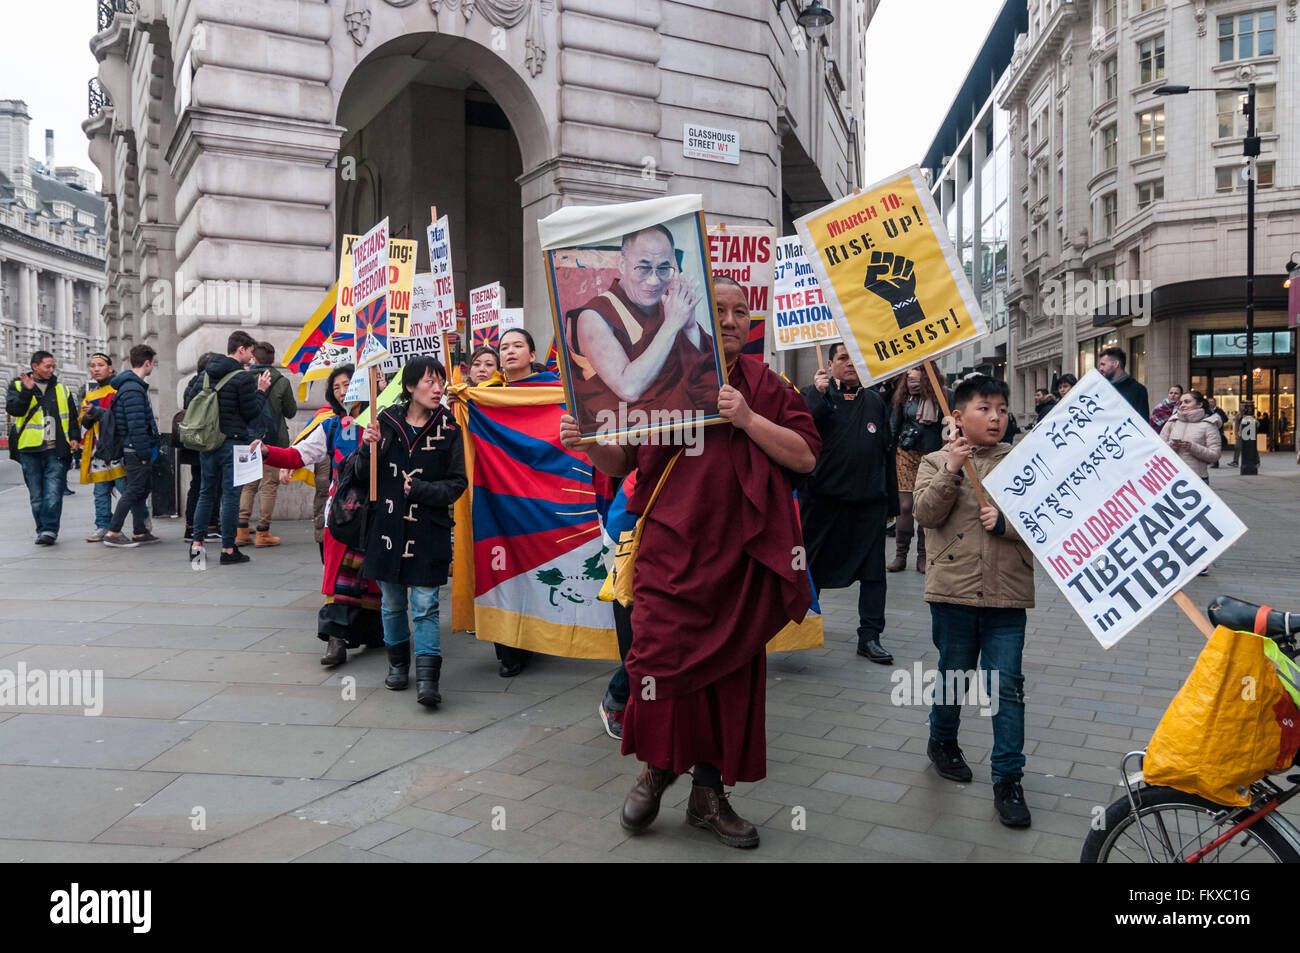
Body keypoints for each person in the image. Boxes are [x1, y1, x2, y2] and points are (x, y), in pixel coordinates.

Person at [562, 287, 820, 850]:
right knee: (655, 662)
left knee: (729, 676)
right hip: (670, 556)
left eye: (740, 313)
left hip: (740, 560)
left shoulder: (768, 387)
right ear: (699, 314)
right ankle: (656, 770)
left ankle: (708, 792)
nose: (730, 321)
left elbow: (804, 455)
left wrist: (748, 418)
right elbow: (620, 457)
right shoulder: (658, 380)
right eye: (718, 311)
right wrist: (587, 443)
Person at [913, 375, 1034, 828]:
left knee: (1007, 688)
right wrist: (950, 472)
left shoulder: (1024, 462)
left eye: (1002, 408)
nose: (996, 417)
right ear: (958, 417)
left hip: (1008, 597)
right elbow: (925, 514)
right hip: (953, 594)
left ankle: (1008, 780)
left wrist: (1005, 524)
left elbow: (1049, 524)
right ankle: (942, 741)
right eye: (985, 408)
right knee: (953, 675)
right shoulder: (934, 460)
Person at [353, 356, 467, 707]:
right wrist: (367, 449)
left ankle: (429, 679)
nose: (438, 389)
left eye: (440, 382)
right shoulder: (383, 424)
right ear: (409, 387)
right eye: (430, 382)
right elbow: (360, 476)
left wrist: (419, 490)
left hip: (428, 531)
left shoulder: (450, 430)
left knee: (426, 605)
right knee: (391, 604)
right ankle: (398, 665)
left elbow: (457, 483)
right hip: (386, 528)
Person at [254, 363, 386, 666]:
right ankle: (335, 641)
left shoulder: (386, 420)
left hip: (380, 512)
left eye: (348, 384)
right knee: (339, 577)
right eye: (337, 386)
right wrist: (266, 452)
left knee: (374, 579)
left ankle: (375, 633)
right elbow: (297, 455)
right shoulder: (331, 426)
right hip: (344, 514)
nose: (342, 391)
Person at [565, 225, 719, 434]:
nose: (654, 280)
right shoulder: (593, 316)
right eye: (644, 268)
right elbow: (629, 389)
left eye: (663, 268)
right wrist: (672, 325)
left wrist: (690, 326)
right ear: (622, 264)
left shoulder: (670, 308)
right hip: (620, 442)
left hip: (678, 432)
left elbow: (703, 376)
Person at [800, 339, 896, 664]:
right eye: (843, 358)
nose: (850, 363)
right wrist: (817, 395)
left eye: (855, 357)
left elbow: (887, 453)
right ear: (830, 364)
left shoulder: (875, 401)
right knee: (808, 569)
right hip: (823, 504)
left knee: (873, 574)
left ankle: (870, 636)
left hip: (868, 505)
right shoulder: (816, 396)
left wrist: (891, 504)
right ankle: (799, 626)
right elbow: (800, 433)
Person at [492, 329, 549, 676]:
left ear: (531, 354)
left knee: (537, 569)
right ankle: (509, 646)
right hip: (499, 496)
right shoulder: (487, 397)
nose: (510, 352)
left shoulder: (551, 391)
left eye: (517, 346)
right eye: (504, 347)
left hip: (541, 497)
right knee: (502, 572)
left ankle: (538, 637)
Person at [187, 330, 271, 566]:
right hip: (233, 443)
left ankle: (197, 545)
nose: (253, 358)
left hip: (207, 442)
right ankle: (228, 549)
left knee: (206, 492)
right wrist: (261, 391)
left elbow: (189, 402)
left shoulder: (205, 374)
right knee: (231, 496)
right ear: (241, 349)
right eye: (251, 352)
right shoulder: (242, 377)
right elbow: (251, 412)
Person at [7, 350, 81, 544]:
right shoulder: (17, 385)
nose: (51, 370)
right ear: (35, 366)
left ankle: (49, 530)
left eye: (53, 366)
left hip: (56, 449)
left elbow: (72, 417)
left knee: (53, 492)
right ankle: (42, 528)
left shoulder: (62, 389)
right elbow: (14, 410)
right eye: (47, 366)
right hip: (29, 449)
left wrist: (74, 437)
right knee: (37, 495)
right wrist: (26, 391)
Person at [236, 341, 298, 548]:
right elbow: (290, 412)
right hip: (273, 441)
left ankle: (242, 530)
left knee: (249, 484)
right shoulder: (281, 382)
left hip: (248, 440)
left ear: (254, 359)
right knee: (269, 486)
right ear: (272, 360)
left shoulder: (244, 379)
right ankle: (263, 533)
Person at [889, 364, 949, 573]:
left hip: (931, 455)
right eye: (909, 374)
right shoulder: (904, 396)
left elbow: (948, 425)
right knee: (905, 506)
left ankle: (923, 556)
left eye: (917, 372)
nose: (912, 377)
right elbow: (894, 425)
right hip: (906, 454)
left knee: (925, 505)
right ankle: (900, 555)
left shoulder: (942, 396)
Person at [101, 345, 161, 547]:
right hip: (136, 448)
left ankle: (139, 531)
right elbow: (136, 425)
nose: (153, 367)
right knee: (134, 490)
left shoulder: (131, 386)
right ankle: (113, 531)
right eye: (153, 363)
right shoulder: (133, 389)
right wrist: (144, 452)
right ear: (147, 363)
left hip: (133, 447)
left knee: (140, 489)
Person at [79, 352, 128, 541]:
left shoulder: (117, 391)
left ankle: (142, 521)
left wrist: (96, 412)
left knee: (125, 489)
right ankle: (102, 526)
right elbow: (83, 423)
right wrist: (87, 417)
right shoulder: (89, 395)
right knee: (100, 492)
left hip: (117, 449)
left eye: (100, 365)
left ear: (110, 368)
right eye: (92, 365)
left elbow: (119, 417)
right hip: (97, 451)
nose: (96, 369)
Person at [179, 353, 221, 541]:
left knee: (197, 484)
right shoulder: (208, 381)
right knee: (209, 485)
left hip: (192, 439)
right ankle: (209, 526)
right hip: (206, 439)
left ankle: (191, 527)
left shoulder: (191, 383)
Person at [1160, 390, 1222, 483]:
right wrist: (1171, 445)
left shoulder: (1209, 425)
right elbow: (1158, 449)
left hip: (1197, 478)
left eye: (1187, 402)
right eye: (1181, 403)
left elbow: (1214, 455)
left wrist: (1192, 447)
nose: (1182, 405)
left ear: (1199, 404)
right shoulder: (1172, 422)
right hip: (1170, 477)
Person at [1097, 346, 1149, 420]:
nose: (1100, 369)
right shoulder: (1100, 388)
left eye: (1103, 364)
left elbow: (1143, 423)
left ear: (1116, 364)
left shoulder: (1138, 390)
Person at [1203, 397, 1227, 468]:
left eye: (1212, 402)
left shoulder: (1219, 411)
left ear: (1215, 403)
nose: (1210, 403)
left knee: (1214, 446)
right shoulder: (1205, 411)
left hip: (1217, 431)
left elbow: (1225, 419)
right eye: (1209, 402)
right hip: (1207, 430)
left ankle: (1215, 462)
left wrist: (1218, 419)